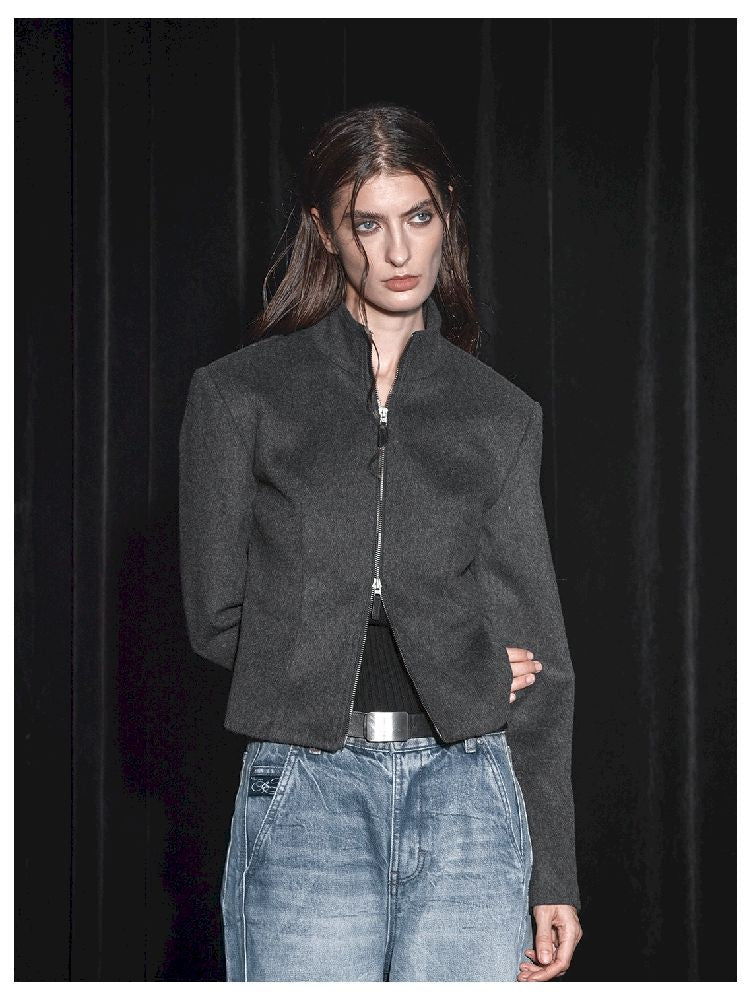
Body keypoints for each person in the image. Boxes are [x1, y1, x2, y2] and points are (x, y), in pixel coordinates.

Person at [178, 103, 583, 982]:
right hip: (305, 786)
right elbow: (214, 620)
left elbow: (540, 656)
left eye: (418, 216)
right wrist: (425, 641)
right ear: (326, 232)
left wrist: (554, 870)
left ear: (447, 216)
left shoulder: (499, 413)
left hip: (471, 794)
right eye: (368, 223)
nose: (399, 251)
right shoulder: (241, 396)